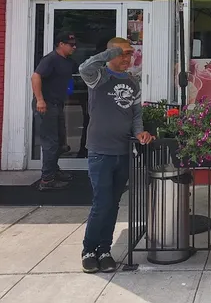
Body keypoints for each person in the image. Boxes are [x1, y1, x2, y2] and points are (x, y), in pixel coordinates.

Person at [79, 37, 153, 274]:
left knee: (113, 204)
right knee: (102, 203)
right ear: (111, 54)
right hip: (100, 152)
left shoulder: (133, 82)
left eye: (130, 54)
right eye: (122, 54)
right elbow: (83, 68)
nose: (127, 58)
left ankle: (104, 249)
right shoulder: (99, 77)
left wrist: (140, 133)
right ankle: (89, 249)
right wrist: (110, 53)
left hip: (123, 152)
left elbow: (135, 115)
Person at [31, 32, 77, 191]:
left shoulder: (68, 62)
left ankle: (53, 171)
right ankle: (47, 179)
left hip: (58, 104)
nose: (74, 47)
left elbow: (68, 81)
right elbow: (36, 77)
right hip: (46, 104)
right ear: (61, 44)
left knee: (59, 141)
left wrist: (68, 96)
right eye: (71, 45)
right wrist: (40, 100)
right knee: (50, 143)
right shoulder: (50, 59)